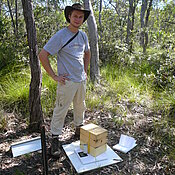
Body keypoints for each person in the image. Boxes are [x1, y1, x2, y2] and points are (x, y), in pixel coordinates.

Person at [39, 3, 91, 157]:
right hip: (66, 82)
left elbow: (87, 53)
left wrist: (85, 71)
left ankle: (78, 130)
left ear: (83, 19)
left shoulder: (83, 36)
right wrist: (54, 76)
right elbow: (43, 55)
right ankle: (55, 139)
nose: (77, 19)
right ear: (69, 16)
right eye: (75, 16)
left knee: (80, 106)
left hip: (81, 80)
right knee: (61, 110)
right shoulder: (61, 35)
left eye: (80, 17)